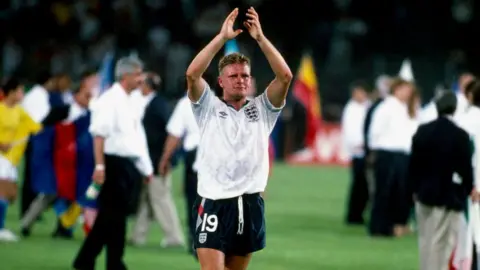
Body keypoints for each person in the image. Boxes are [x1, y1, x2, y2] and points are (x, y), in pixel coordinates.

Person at [186, 7, 292, 269]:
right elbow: (192, 75)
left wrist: (261, 39)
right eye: (233, 76)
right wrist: (221, 38)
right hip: (213, 203)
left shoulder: (263, 109)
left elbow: (285, 76)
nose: (240, 80)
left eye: (245, 75)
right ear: (221, 82)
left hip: (250, 204)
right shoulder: (208, 107)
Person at [73, 57, 153, 270]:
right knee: (113, 217)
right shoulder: (110, 100)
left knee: (112, 218)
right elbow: (99, 135)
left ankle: (90, 260)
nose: (140, 79)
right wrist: (100, 167)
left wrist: (145, 167)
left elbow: (136, 135)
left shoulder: (130, 99)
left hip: (127, 165)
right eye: (137, 74)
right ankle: (112, 262)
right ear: (125, 76)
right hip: (113, 164)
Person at [408, 91, 476, 270]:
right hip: (448, 196)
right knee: (442, 242)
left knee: (424, 239)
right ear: (454, 108)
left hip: (424, 194)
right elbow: (465, 169)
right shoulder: (460, 135)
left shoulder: (423, 131)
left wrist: (414, 189)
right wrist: (469, 189)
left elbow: (413, 165)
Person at [130, 72, 185, 248]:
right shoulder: (152, 103)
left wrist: (168, 159)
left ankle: (174, 237)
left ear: (148, 86)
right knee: (146, 199)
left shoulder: (158, 105)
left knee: (160, 199)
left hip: (157, 162)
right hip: (149, 161)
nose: (139, 86)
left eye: (141, 83)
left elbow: (172, 134)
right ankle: (138, 236)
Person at [368, 78, 418, 237]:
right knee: (384, 191)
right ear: (397, 89)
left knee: (399, 192)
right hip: (387, 153)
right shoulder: (386, 107)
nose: (408, 93)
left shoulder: (406, 109)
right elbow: (375, 131)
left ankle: (392, 226)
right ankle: (378, 227)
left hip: (403, 154)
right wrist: (375, 151)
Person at [159, 90, 201, 256]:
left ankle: (195, 238)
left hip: (195, 153)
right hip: (217, 154)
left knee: (194, 199)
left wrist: (165, 158)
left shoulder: (186, 103)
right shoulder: (218, 99)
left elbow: (175, 134)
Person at [0, 78, 42, 241]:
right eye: (20, 91)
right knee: (3, 192)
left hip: (11, 159)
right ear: (11, 92)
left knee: (9, 194)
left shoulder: (19, 111)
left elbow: (36, 127)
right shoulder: (1, 109)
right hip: (1, 157)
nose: (22, 94)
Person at [341, 81, 370, 225]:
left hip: (364, 152)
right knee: (358, 185)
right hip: (358, 152)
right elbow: (351, 131)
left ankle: (358, 213)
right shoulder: (351, 109)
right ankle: (353, 215)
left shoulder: (364, 107)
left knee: (363, 186)